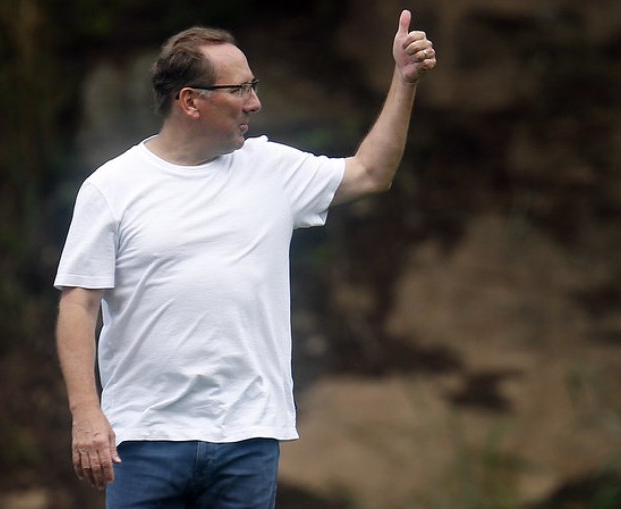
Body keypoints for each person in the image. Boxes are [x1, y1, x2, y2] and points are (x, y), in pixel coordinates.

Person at [54, 9, 435, 508]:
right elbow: (78, 306)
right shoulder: (112, 187)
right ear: (189, 101)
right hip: (143, 438)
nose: (255, 103)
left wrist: (403, 82)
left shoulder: (271, 169)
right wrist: (87, 413)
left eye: (253, 86)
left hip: (247, 437)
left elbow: (370, 172)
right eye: (239, 90)